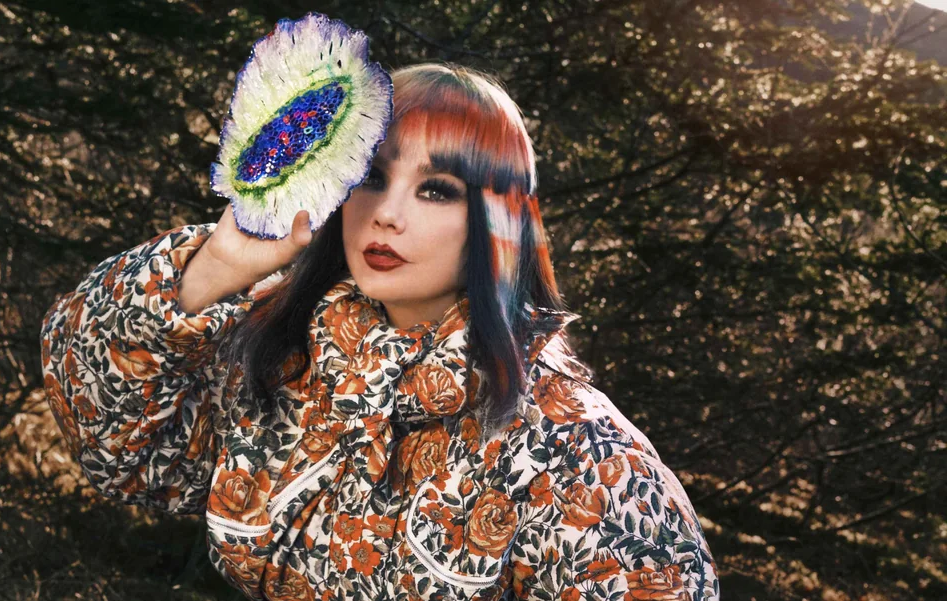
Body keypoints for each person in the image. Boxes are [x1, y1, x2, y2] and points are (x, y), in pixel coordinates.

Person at [40, 62, 720, 601]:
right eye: (371, 174)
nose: (387, 213)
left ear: (496, 220)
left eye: (436, 189)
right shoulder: (286, 357)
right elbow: (113, 445)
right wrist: (214, 266)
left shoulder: (579, 454)